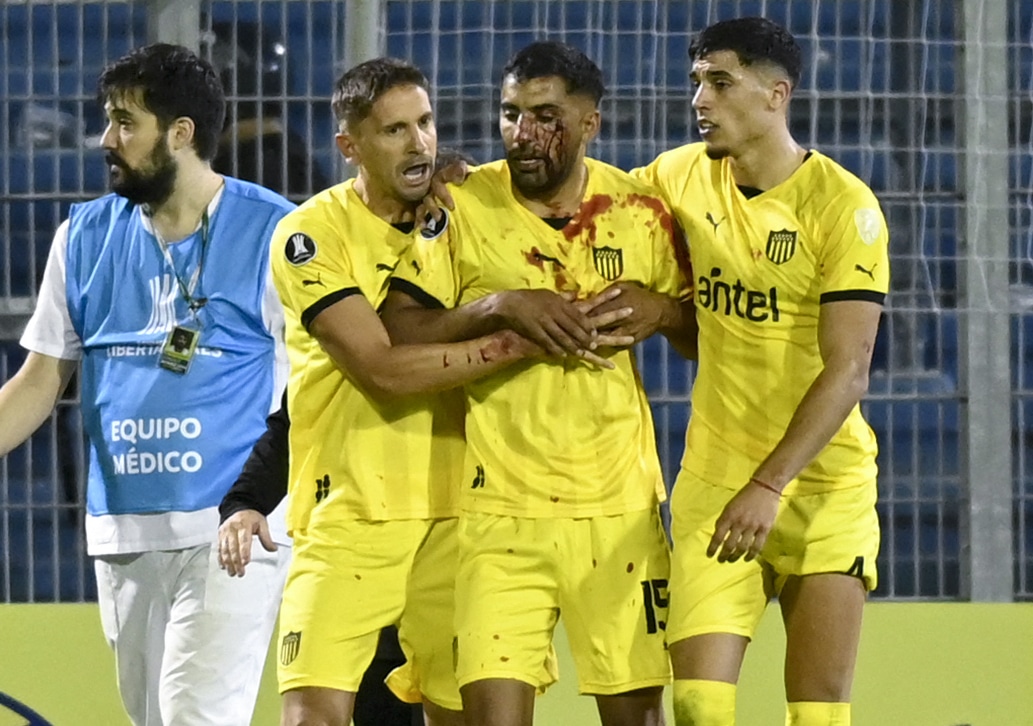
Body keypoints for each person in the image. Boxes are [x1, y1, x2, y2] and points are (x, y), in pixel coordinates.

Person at [266, 57, 613, 726]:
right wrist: (510, 340)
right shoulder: (310, 236)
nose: (418, 143)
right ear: (350, 146)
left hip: (459, 511)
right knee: (313, 713)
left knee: (456, 712)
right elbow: (384, 371)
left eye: (424, 124)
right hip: (349, 516)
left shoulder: (459, 215)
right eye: (394, 130)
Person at [382, 41, 696, 726]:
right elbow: (398, 332)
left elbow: (707, 335)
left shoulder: (640, 210)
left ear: (590, 124)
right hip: (497, 513)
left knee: (637, 715)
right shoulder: (461, 206)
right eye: (509, 114)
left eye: (544, 115)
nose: (522, 135)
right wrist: (497, 305)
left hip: (618, 510)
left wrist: (665, 309)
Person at [0, 44, 296, 725]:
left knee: (194, 718)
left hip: (233, 527)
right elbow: (39, 381)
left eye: (124, 121)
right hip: (124, 528)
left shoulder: (273, 232)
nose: (107, 138)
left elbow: (316, 382)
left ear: (181, 133)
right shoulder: (81, 237)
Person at [631, 18, 890, 726]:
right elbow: (581, 206)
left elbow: (849, 369)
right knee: (697, 706)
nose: (699, 101)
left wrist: (769, 483)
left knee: (815, 715)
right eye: (696, 83)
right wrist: (474, 181)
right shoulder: (677, 174)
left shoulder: (843, 207)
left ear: (776, 93)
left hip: (822, 484)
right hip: (715, 477)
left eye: (719, 82)